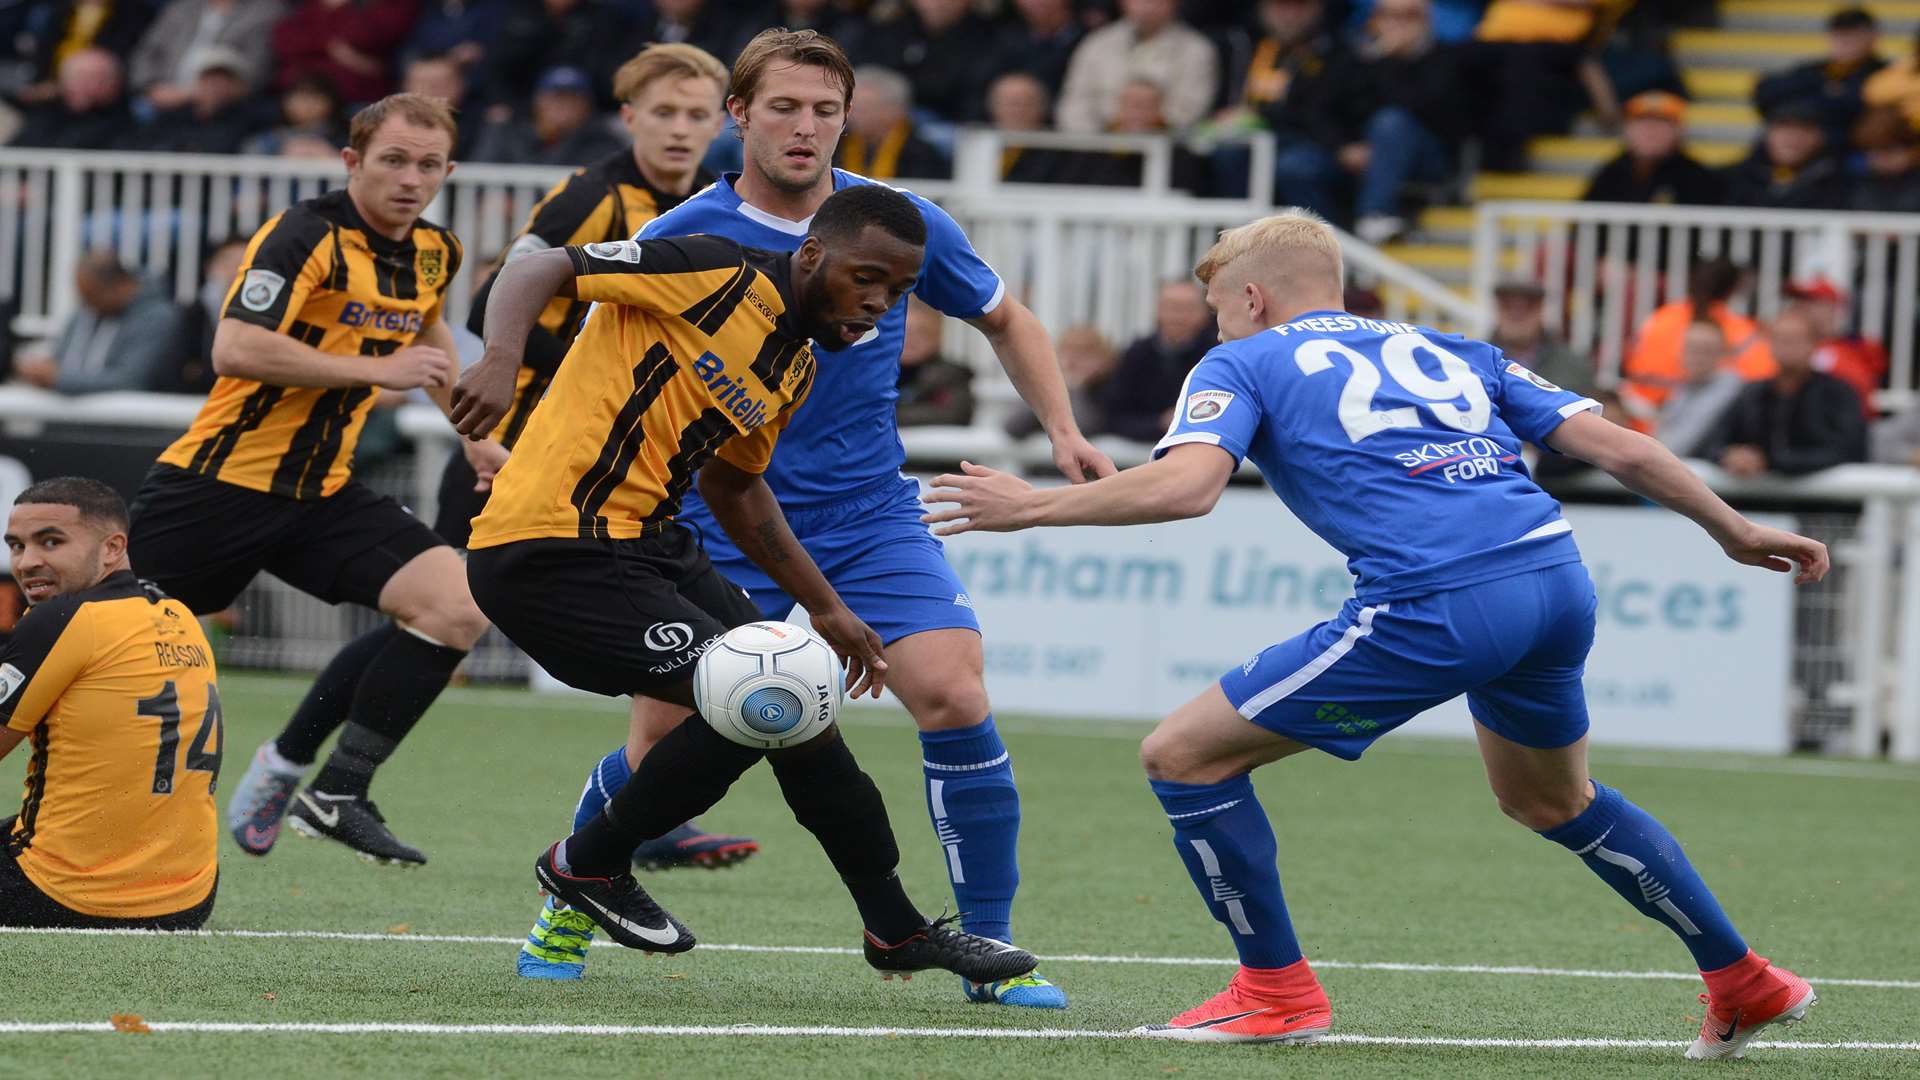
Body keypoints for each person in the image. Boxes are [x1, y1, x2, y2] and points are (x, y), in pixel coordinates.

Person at [923, 209, 1829, 1056]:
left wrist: (1036, 507)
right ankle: (1743, 979)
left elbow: (1183, 489)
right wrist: (1736, 530)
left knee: (1184, 755)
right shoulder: (1452, 346)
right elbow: (1623, 447)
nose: (1217, 329)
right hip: (1554, 580)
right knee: (1553, 801)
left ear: (1252, 297)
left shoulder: (1244, 360)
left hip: (1438, 602)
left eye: (1217, 310)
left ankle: (1275, 991)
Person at [516, 29, 1111, 1005]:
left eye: (824, 110)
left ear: (848, 118)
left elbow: (1006, 317)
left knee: (953, 692)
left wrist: (1061, 426)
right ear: (738, 116)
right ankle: (573, 896)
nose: (805, 128)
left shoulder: (901, 220)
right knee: (668, 741)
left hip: (867, 513)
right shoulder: (688, 237)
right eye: (783, 108)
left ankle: (991, 953)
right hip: (716, 520)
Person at [448, 185, 1039, 989]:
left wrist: (828, 608)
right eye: (865, 277)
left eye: (897, 291)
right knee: (757, 696)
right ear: (810, 255)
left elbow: (737, 491)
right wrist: (499, 361)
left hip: (651, 545)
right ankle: (586, 867)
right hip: (552, 546)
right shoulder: (711, 268)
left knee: (804, 711)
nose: (877, 303)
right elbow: (537, 268)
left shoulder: (790, 364)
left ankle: (895, 930)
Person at [128, 93, 492, 869]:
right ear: (353, 161)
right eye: (393, 161)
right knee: (100, 649)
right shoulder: (304, 234)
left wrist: (476, 439)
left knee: (454, 607)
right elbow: (234, 347)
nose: (410, 179)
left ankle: (323, 783)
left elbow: (425, 338)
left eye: (428, 165)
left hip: (321, 494)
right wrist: (375, 369)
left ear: (449, 171)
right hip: (214, 486)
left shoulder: (435, 250)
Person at [434, 43, 727, 552]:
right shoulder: (591, 197)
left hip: (616, 448)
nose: (680, 129)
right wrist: (592, 367)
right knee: (449, 612)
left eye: (696, 114)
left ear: (719, 123)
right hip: (513, 435)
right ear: (630, 118)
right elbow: (486, 307)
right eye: (664, 112)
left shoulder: (714, 207)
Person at [0, 477, 221, 930]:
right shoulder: (178, 615)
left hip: (58, 896)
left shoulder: (61, 619)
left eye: (51, 542)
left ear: (112, 547)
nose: (27, 562)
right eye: (16, 546)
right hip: (187, 899)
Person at [1711, 307, 1868, 478]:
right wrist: (1730, 456)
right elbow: (1713, 442)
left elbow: (1847, 450)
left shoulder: (1838, 393)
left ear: (1814, 344)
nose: (1786, 347)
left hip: (1823, 501)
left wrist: (1770, 461)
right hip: (1756, 499)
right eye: (1779, 339)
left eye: (1794, 340)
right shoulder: (1752, 393)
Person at [1620, 258, 1775, 424]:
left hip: (1639, 420)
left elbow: (1630, 362)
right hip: (1697, 422)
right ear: (1732, 289)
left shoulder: (1660, 318)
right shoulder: (1742, 330)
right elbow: (1761, 377)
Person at [14, 252, 182, 394]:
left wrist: (58, 379)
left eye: (93, 297)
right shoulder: (89, 309)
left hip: (129, 428)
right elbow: (60, 360)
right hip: (70, 425)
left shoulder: (159, 318)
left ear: (120, 286)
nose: (87, 305)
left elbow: (131, 380)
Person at [1055, 0, 1220, 133]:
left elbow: (1189, 109)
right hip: (1096, 149)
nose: (1146, 5)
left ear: (1175, 3)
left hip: (1167, 150)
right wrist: (1100, 139)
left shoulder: (1196, 48)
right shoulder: (1096, 43)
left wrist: (1147, 126)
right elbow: (1074, 103)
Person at [1753, 6, 1883, 156]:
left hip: (1848, 153)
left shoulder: (1883, 74)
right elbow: (1765, 92)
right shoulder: (1811, 70)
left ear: (1873, 37)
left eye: (1853, 35)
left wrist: (1817, 96)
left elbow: (1853, 108)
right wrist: (1827, 93)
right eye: (1839, 35)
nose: (1845, 42)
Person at [1100, 280, 1214, 441]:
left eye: (1188, 308)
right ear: (1157, 309)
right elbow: (1113, 416)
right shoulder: (1136, 355)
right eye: (1171, 307)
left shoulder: (1217, 355)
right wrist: (1158, 424)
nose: (1179, 316)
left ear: (1204, 312)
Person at [128, 0, 284, 111]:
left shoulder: (266, 11)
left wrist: (195, 94)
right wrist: (152, 88)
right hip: (160, 98)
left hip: (223, 105)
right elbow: (147, 52)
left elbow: (257, 70)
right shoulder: (181, 8)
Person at [1582, 90, 1725, 207]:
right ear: (1627, 129)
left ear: (1679, 130)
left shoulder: (1697, 179)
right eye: (1642, 122)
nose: (1651, 130)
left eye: (1661, 122)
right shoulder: (1611, 175)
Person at [471, 65, 625, 166]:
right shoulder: (511, 134)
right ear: (538, 102)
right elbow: (480, 170)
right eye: (556, 98)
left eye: (572, 99)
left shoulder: (602, 140)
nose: (563, 106)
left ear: (586, 106)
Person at [142, 44, 268, 154]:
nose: (216, 86)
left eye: (224, 79)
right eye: (210, 79)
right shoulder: (174, 117)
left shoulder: (249, 117)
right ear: (197, 82)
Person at [1721, 102, 1848, 211]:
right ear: (1767, 134)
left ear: (1820, 137)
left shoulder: (1841, 184)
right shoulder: (1733, 179)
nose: (1792, 138)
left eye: (1803, 130)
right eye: (1784, 128)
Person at [1790, 276, 1884, 419]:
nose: (1799, 307)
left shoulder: (1855, 348)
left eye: (1810, 301)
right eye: (1797, 301)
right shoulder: (1784, 344)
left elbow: (1860, 400)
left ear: (1831, 307)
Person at [836, 66, 950, 181]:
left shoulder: (922, 155)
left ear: (896, 110)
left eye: (866, 107)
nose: (854, 114)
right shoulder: (836, 144)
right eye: (851, 106)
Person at [7, 47, 133, 150]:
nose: (85, 85)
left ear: (115, 82)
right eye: (78, 77)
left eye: (95, 78)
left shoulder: (126, 122)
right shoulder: (45, 116)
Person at [1654, 318, 1745, 458]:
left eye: (1706, 350)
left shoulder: (1730, 387)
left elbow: (1680, 445)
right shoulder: (1684, 387)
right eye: (1691, 349)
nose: (1698, 357)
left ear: (1723, 353)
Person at [1487, 280, 1594, 398]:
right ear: (1497, 310)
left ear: (1541, 311)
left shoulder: (1573, 365)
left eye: (1527, 307)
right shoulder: (1477, 358)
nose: (1516, 314)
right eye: (1508, 307)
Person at [896, 299, 973, 427]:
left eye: (921, 332)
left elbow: (955, 415)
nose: (910, 340)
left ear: (936, 335)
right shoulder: (875, 374)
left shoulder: (953, 375)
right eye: (904, 333)